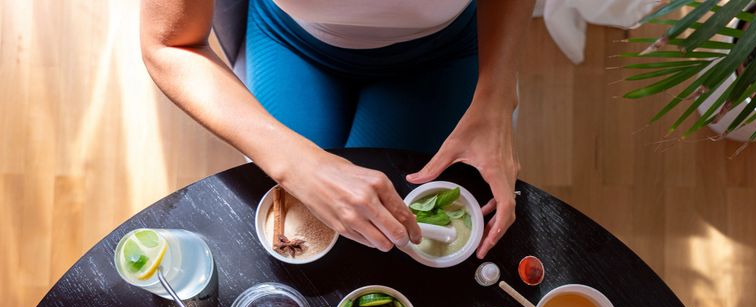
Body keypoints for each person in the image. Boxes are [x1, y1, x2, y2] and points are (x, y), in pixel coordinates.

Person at [140, 0, 530, 257]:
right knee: (319, 240)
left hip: (442, 54)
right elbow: (170, 44)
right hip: (292, 42)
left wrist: (496, 102)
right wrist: (299, 165)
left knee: (386, 233)